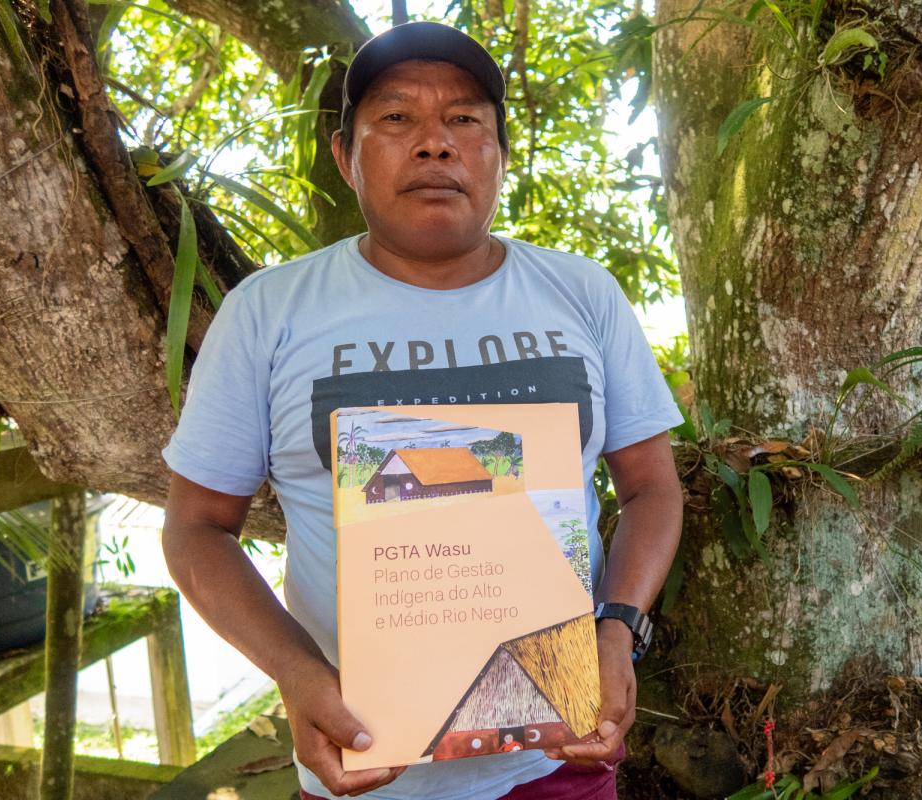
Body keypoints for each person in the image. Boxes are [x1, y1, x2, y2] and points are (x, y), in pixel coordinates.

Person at [161, 20, 684, 800]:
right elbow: (197, 528)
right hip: (368, 765)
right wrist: (296, 673)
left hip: (556, 763)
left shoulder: (582, 293)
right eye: (397, 118)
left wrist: (619, 627)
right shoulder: (268, 313)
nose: (435, 143)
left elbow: (651, 488)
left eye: (465, 120)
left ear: (501, 156)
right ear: (345, 157)